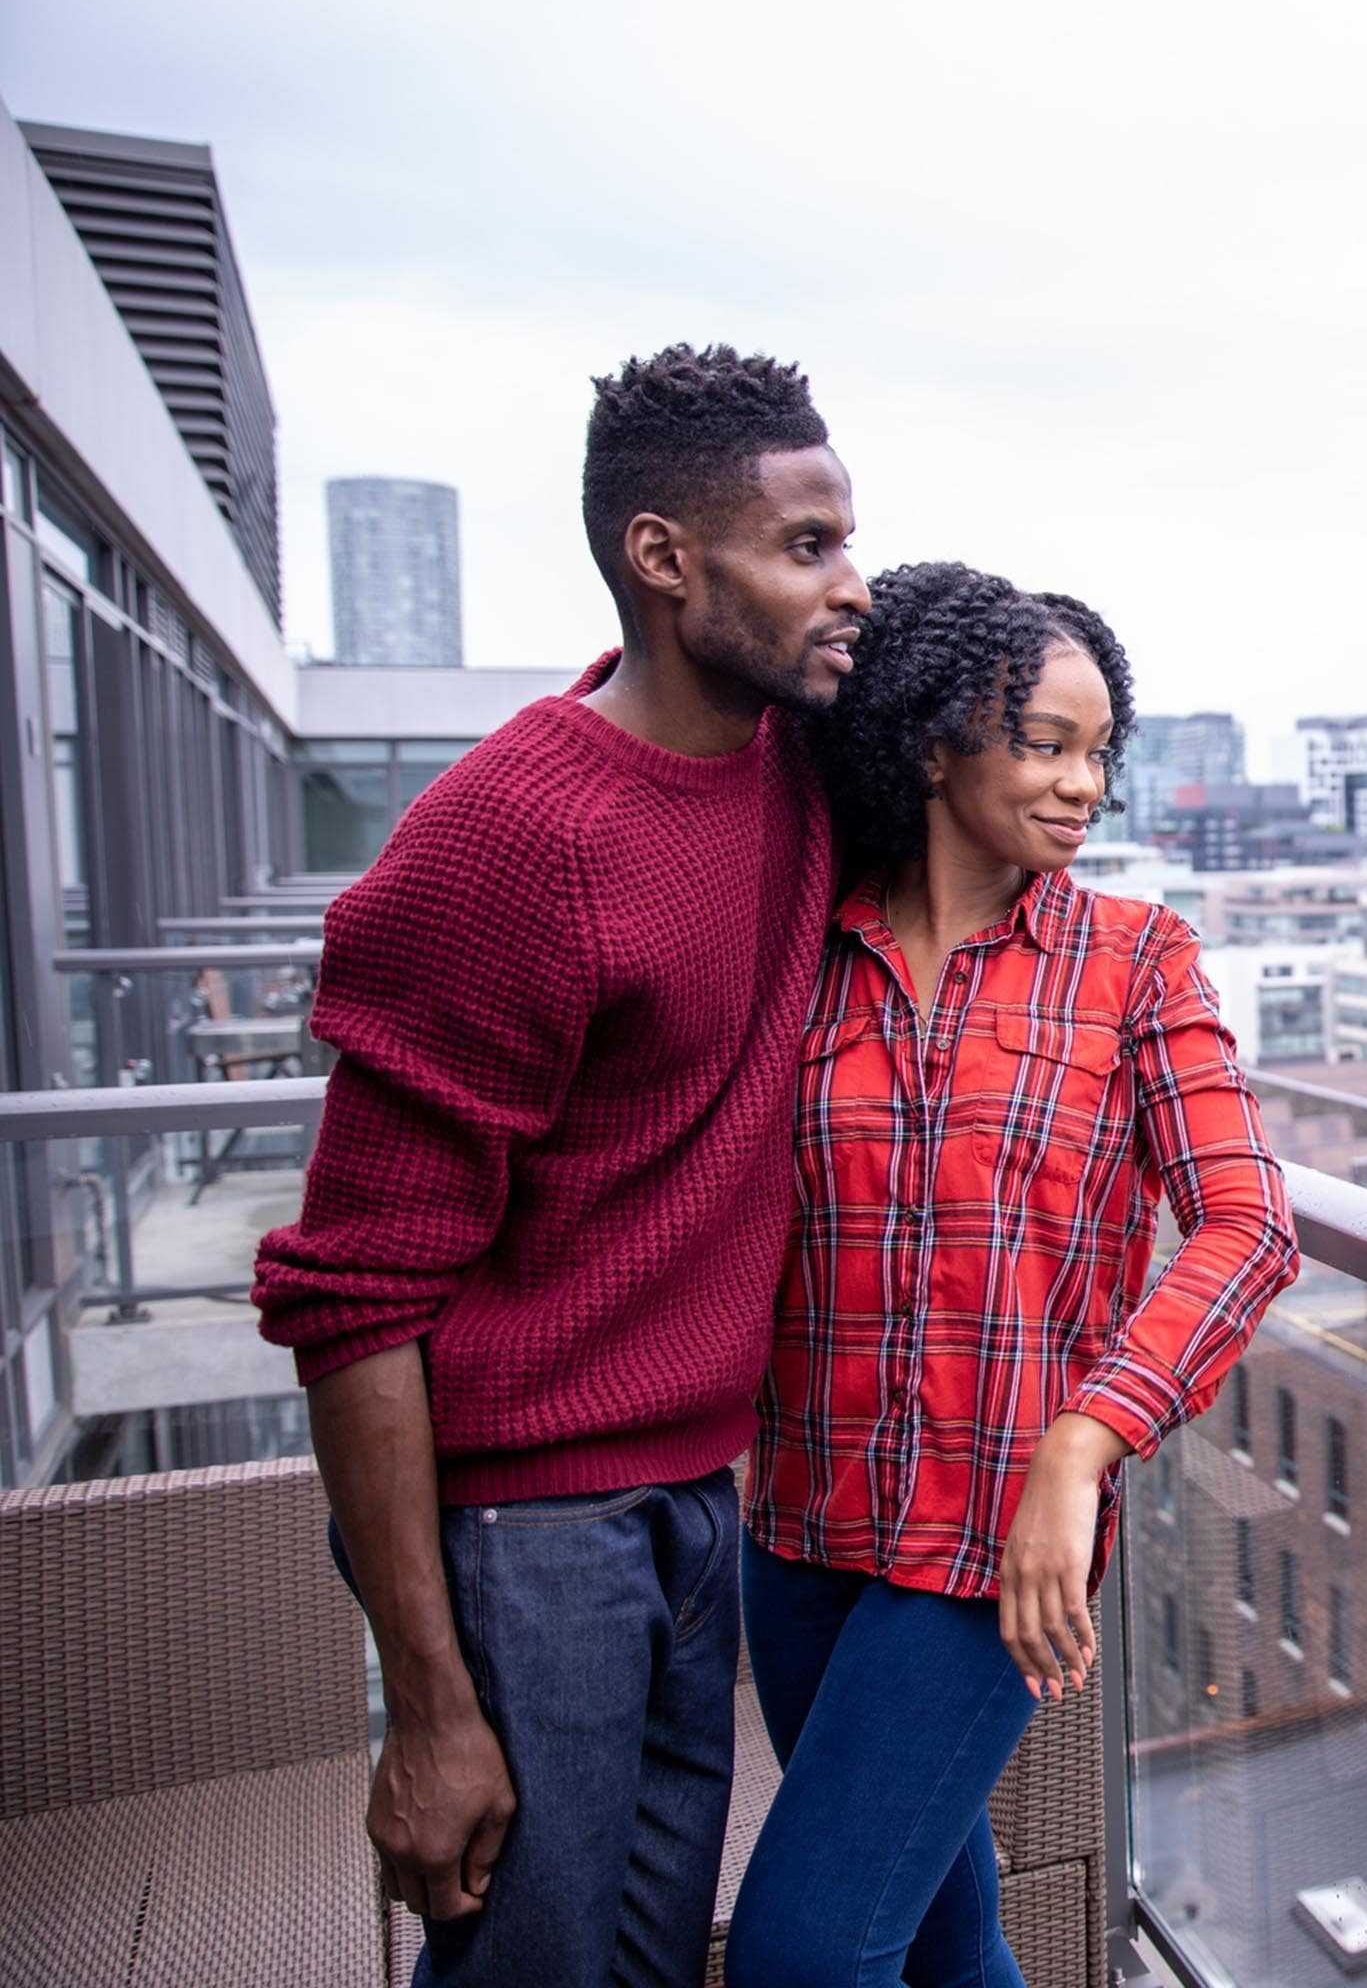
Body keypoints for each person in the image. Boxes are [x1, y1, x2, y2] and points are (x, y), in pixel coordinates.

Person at [253, 342, 869, 1988]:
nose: (850, 588)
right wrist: (429, 1707)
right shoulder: (509, 843)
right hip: (528, 1533)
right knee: (528, 1960)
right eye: (807, 548)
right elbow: (354, 1298)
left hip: (698, 1499)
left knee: (655, 1960)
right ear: (665, 560)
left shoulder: (797, 768)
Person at [726, 562, 1300, 1987]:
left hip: (994, 1546)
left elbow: (1247, 1224)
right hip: (797, 1529)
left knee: (800, 1957)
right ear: (931, 739)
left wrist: (1082, 1445)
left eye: (1100, 750)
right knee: (936, 1930)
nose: (1081, 784)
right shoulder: (800, 954)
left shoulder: (1135, 961)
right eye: (1046, 742)